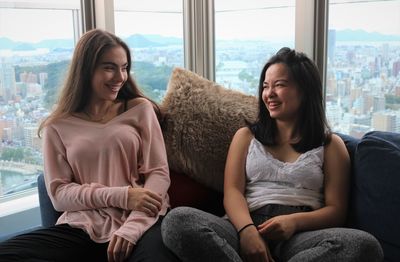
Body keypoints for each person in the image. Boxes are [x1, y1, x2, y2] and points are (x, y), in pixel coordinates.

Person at [161, 47, 384, 262]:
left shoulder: (330, 145)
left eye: (279, 85)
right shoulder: (246, 136)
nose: (269, 94)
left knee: (363, 245)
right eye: (266, 86)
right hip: (244, 224)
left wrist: (294, 223)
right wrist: (247, 232)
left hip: (300, 235)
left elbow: (336, 211)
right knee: (178, 221)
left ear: (305, 91)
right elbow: (232, 192)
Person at [0, 29, 179, 262]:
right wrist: (121, 196)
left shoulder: (140, 109)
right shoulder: (57, 126)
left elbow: (158, 173)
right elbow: (59, 194)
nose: (120, 77)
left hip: (142, 222)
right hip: (83, 225)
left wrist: (132, 227)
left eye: (124, 68)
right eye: (109, 67)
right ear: (85, 70)